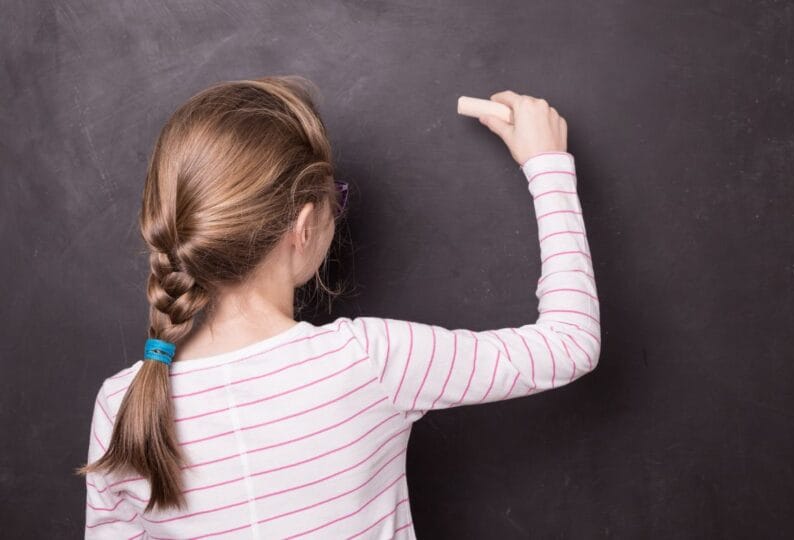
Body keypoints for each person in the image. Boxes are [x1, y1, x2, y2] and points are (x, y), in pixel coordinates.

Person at [76, 75, 600, 539]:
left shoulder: (121, 404)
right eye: (337, 198)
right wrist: (548, 165)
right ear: (304, 227)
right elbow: (570, 345)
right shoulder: (367, 360)